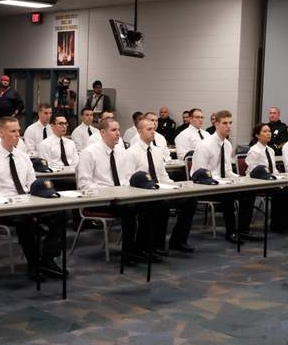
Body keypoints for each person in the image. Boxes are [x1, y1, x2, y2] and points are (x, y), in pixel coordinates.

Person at [0, 117, 67, 283]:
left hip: (28, 202)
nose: (18, 135)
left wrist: (33, 200)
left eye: (18, 130)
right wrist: (17, 203)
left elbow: (32, 183)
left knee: (60, 214)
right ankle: (33, 265)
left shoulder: (23, 157)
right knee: (26, 221)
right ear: (0, 133)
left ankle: (48, 258)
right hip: (5, 206)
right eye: (13, 131)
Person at [77, 118, 151, 263]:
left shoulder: (120, 151)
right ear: (102, 132)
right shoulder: (89, 153)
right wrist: (109, 193)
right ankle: (128, 254)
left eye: (118, 130)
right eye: (113, 130)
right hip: (99, 199)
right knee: (129, 210)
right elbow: (84, 184)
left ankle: (141, 249)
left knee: (148, 206)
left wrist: (127, 191)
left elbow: (125, 177)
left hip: (120, 197)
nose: (118, 134)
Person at [125, 117, 196, 253]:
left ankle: (178, 240)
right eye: (149, 129)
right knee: (160, 204)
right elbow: (129, 180)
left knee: (190, 199)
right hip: (143, 193)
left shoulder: (157, 151)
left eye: (153, 129)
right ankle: (154, 245)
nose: (153, 132)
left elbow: (163, 175)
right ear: (139, 131)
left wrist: (174, 187)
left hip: (160, 189)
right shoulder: (131, 153)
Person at [191, 110, 259, 243]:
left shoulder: (227, 145)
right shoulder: (205, 145)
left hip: (223, 183)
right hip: (206, 185)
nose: (228, 126)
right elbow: (198, 173)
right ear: (216, 124)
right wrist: (219, 182)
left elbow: (227, 170)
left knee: (249, 192)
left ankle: (243, 230)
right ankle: (231, 233)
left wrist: (239, 179)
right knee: (228, 195)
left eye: (230, 123)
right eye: (224, 123)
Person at [245, 123, 288, 233]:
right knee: (279, 191)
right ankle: (276, 225)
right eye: (265, 131)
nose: (268, 134)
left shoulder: (270, 150)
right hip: (258, 181)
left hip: (270, 179)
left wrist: (281, 177)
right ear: (257, 135)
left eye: (269, 131)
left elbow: (273, 169)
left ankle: (285, 224)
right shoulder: (254, 150)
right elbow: (253, 170)